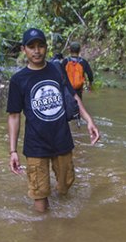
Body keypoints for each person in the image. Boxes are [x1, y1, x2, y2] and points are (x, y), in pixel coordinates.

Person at [7, 28, 100, 212]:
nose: (37, 51)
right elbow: (14, 116)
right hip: (35, 145)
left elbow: (72, 97)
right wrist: (12, 151)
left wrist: (89, 120)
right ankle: (42, 236)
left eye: (41, 46)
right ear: (23, 49)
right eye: (31, 47)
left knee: (65, 188)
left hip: (61, 140)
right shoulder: (18, 80)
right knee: (40, 198)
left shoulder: (57, 70)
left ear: (46, 47)